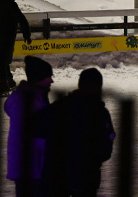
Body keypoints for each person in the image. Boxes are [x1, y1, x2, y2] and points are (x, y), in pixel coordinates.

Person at [46, 67, 116, 197]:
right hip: (88, 173)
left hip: (62, 172)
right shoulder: (99, 111)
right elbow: (107, 143)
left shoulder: (62, 106)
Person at [4, 56, 53, 197]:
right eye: (48, 77)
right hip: (31, 169)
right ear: (38, 79)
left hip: (28, 169)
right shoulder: (29, 102)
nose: (51, 80)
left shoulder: (32, 97)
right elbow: (38, 138)